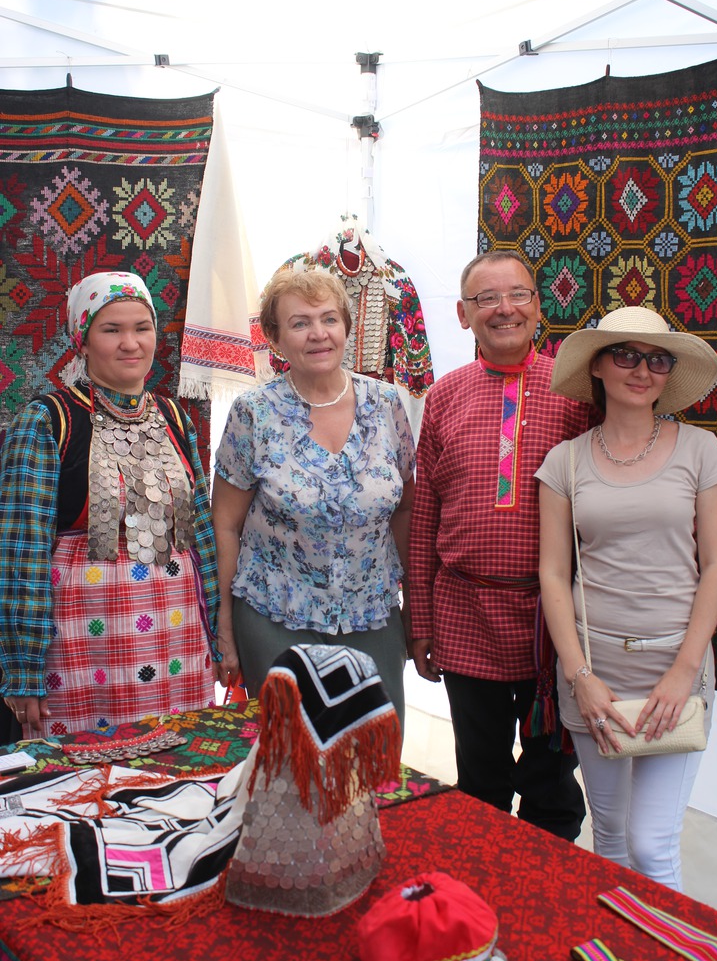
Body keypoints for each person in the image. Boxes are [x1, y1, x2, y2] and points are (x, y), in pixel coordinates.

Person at [536, 305, 717, 890]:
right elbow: (552, 573)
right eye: (625, 354)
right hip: (597, 677)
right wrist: (580, 676)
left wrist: (683, 672)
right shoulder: (565, 461)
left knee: (652, 842)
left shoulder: (701, 452)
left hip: (675, 670)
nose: (641, 370)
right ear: (596, 366)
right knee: (613, 835)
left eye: (657, 359)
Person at [0, 271, 233, 740]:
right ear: (82, 341)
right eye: (111, 330)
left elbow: (203, 536)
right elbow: (20, 555)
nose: (131, 343)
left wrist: (220, 636)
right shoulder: (46, 421)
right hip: (86, 650)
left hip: (178, 638)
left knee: (179, 768)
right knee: (90, 788)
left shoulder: (174, 418)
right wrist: (22, 669)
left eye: (141, 328)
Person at [409, 250, 591, 841]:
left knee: (552, 786)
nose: (504, 309)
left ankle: (544, 900)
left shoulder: (579, 394)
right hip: (466, 620)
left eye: (517, 294)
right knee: (479, 783)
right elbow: (425, 517)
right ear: (464, 315)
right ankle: (482, 902)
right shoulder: (444, 396)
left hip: (551, 626)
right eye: (486, 299)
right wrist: (422, 621)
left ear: (539, 306)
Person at [212, 267, 415, 727]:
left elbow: (405, 508)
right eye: (300, 322)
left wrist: (416, 609)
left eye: (329, 319)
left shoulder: (386, 405)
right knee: (292, 763)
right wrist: (225, 626)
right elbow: (225, 523)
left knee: (377, 761)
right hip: (276, 615)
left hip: (372, 616)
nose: (318, 334)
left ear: (346, 326)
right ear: (275, 337)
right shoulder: (254, 414)